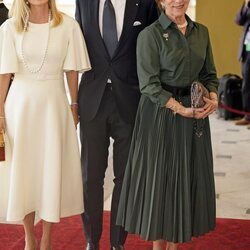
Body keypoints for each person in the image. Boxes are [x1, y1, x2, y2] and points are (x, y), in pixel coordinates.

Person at [116, 0, 219, 249]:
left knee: (186, 181)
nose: (177, 0)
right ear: (161, 1)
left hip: (194, 118)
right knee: (162, 186)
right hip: (161, 116)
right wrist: (179, 108)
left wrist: (213, 98)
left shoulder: (201, 32)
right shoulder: (149, 35)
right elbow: (149, 85)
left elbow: (209, 75)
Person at [0, 0, 91, 249]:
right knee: (24, 170)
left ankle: (48, 237)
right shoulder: (9, 28)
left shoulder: (68, 26)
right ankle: (30, 236)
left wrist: (74, 105)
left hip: (54, 105)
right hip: (20, 108)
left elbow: (72, 71)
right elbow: (4, 74)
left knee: (52, 167)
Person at [75, 0, 158, 249]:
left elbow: (154, 45)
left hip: (130, 102)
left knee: (125, 177)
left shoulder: (145, 4)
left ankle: (117, 242)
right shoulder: (84, 2)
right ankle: (92, 240)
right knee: (90, 177)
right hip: (92, 100)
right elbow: (75, 45)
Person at [235, 0, 250, 129]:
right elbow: (238, 20)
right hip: (247, 50)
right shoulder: (247, 5)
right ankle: (247, 116)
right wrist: (245, 4)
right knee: (246, 84)